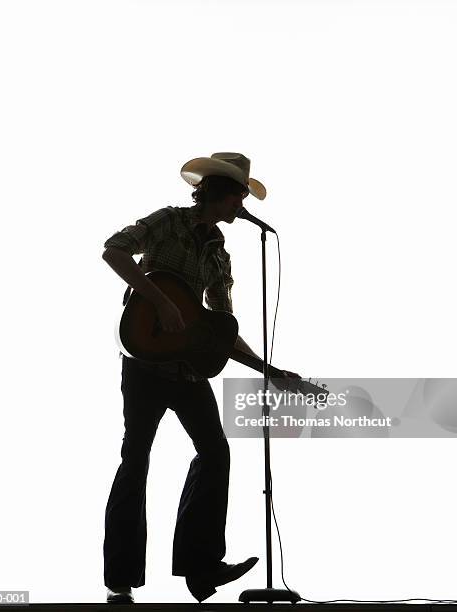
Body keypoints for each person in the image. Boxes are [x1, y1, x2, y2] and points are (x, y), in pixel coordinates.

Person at [101, 152, 290, 604]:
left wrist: (272, 371)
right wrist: (159, 301)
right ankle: (120, 581)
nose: (240, 205)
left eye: (243, 197)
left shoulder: (219, 255)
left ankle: (200, 565)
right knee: (136, 461)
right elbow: (114, 249)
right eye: (237, 196)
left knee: (215, 452)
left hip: (187, 370)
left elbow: (221, 330)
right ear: (216, 193)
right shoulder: (168, 222)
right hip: (146, 362)